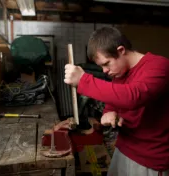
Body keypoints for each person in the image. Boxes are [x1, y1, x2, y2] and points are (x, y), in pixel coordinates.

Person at [64, 26, 169, 176]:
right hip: (123, 148)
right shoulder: (119, 74)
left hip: (149, 159)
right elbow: (113, 102)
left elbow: (133, 96)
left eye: (106, 64)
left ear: (121, 50)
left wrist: (83, 81)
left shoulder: (160, 66)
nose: (104, 71)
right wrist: (108, 113)